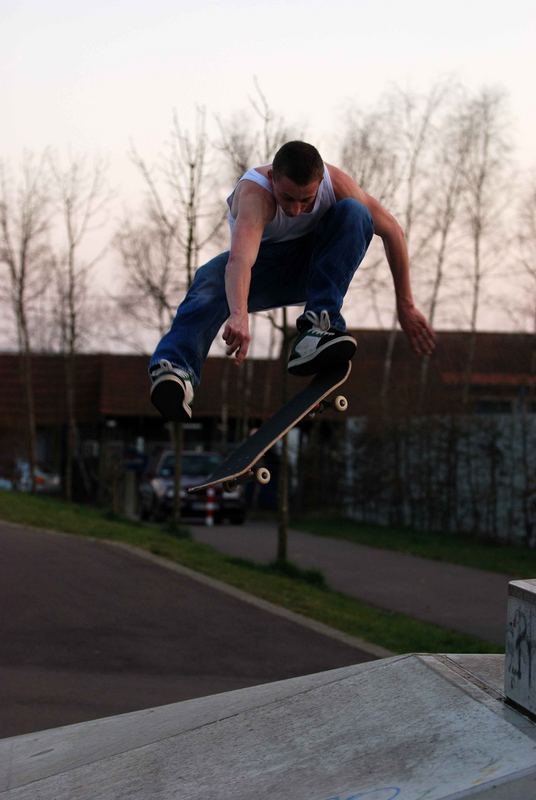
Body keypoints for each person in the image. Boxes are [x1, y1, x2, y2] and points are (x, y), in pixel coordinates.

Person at [149, 140, 435, 421]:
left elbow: (393, 231)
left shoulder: (335, 183)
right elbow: (240, 261)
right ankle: (176, 370)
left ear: (320, 181)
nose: (296, 209)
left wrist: (405, 304)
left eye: (306, 200)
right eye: (287, 198)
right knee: (210, 278)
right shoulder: (255, 194)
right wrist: (239, 315)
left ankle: (317, 327)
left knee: (356, 213)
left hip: (318, 269)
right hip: (263, 271)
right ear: (273, 178)